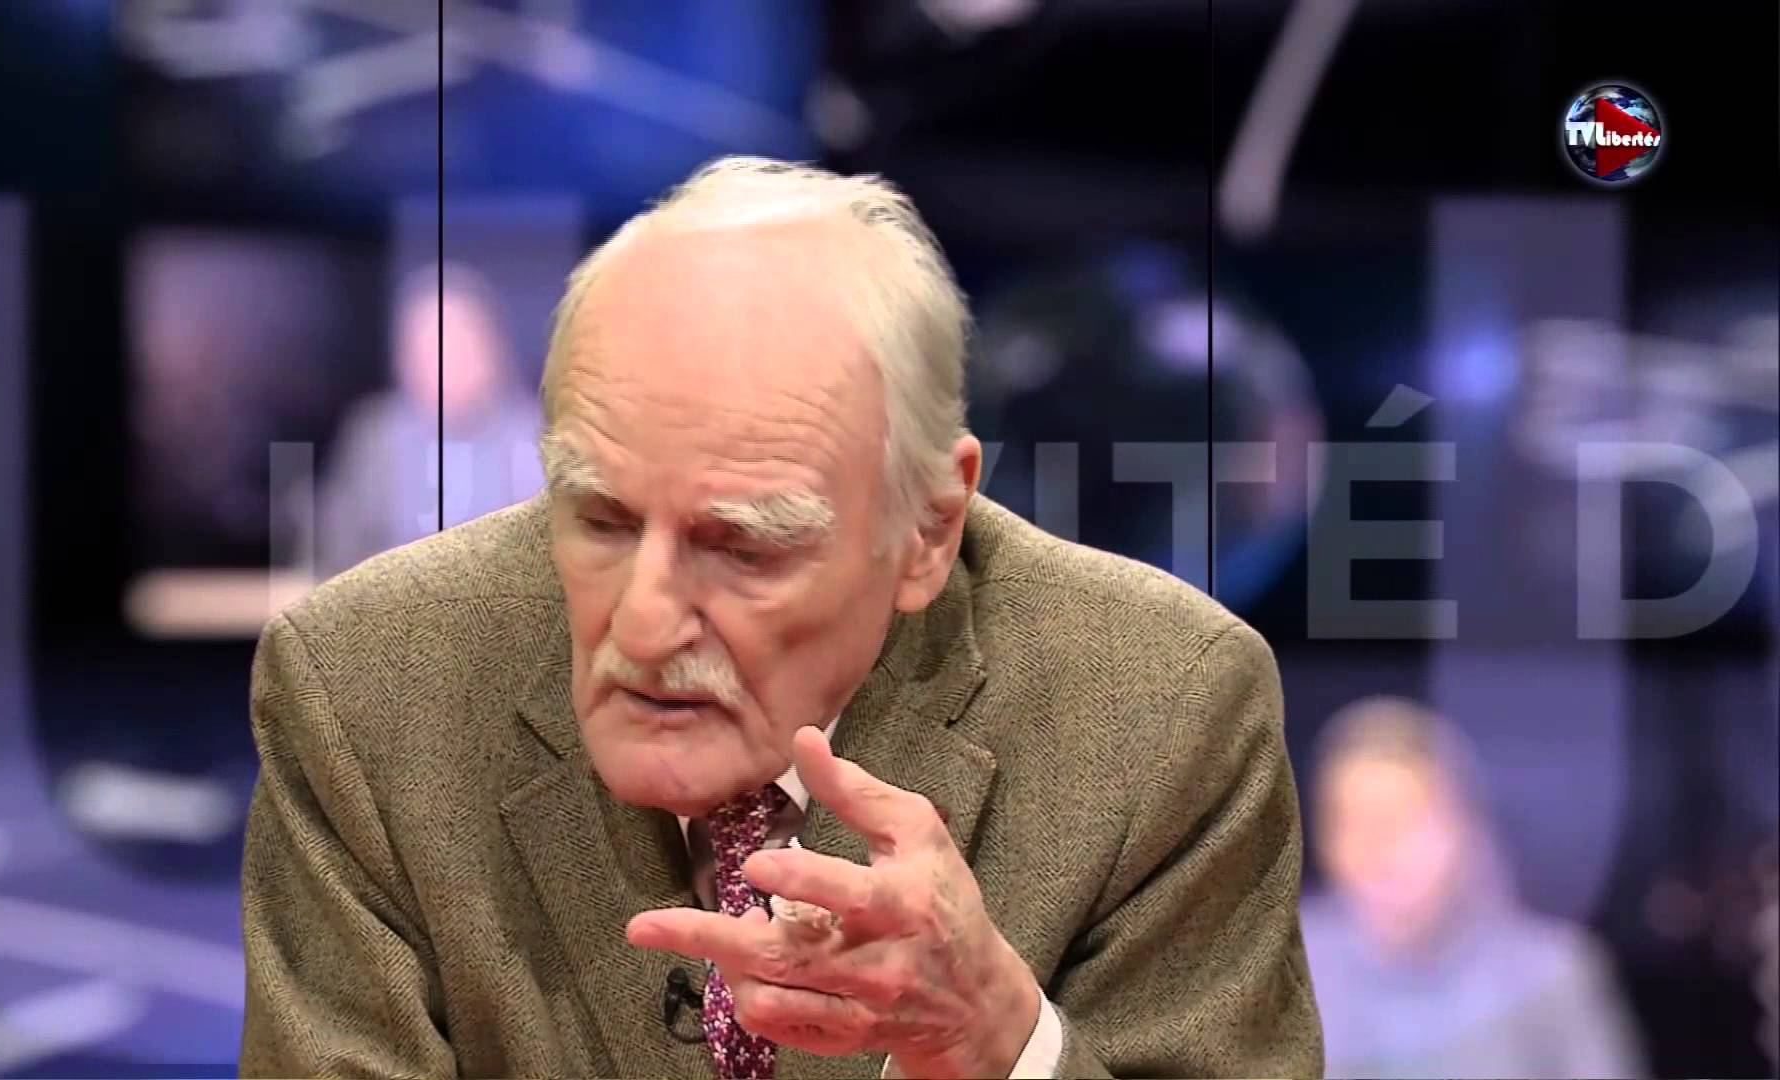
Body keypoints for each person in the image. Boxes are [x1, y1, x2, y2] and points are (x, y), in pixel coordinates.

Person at [239, 157, 1322, 1078]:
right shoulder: (367, 692)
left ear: (928, 530)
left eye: (743, 545)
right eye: (602, 519)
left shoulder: (1165, 711)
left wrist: (1000, 1041)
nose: (645, 626)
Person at [1300, 695, 1646, 1079]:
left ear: (1463, 827)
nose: (1377, 848)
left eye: (1406, 819)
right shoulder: (1284, 972)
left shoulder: (1553, 975)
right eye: (1351, 822)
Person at [312, 259, 544, 579]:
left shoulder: (539, 434)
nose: (440, 365)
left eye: (456, 347)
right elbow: (335, 550)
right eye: (425, 350)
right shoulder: (375, 435)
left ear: (493, 352)